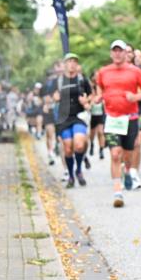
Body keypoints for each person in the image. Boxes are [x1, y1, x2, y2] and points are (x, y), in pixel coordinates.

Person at [95, 39, 141, 207]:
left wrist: (136, 97)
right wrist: (97, 97)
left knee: (127, 155)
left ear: (126, 53)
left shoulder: (135, 71)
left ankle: (127, 172)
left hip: (130, 118)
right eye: (115, 50)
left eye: (120, 51)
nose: (117, 53)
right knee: (115, 154)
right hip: (111, 118)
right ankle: (117, 192)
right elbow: (99, 89)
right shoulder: (103, 72)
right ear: (111, 53)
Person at [52, 53, 92, 188]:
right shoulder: (58, 81)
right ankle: (70, 175)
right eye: (69, 61)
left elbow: (91, 95)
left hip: (79, 116)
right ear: (64, 64)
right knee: (68, 149)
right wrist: (54, 98)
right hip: (64, 118)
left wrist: (87, 102)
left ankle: (79, 170)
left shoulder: (82, 79)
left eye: (75, 61)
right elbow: (50, 96)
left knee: (79, 145)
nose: (72, 64)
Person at [124, 44, 141, 188]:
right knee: (124, 147)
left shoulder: (139, 71)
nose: (127, 54)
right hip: (119, 114)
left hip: (138, 110)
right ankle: (125, 170)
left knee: (137, 143)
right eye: (125, 51)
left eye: (130, 52)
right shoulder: (115, 71)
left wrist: (136, 97)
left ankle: (134, 173)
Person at [88, 73, 106, 159]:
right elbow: (89, 98)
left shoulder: (102, 86)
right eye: (94, 77)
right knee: (92, 133)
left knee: (100, 132)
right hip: (92, 114)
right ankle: (91, 144)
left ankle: (101, 150)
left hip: (101, 113)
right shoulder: (89, 87)